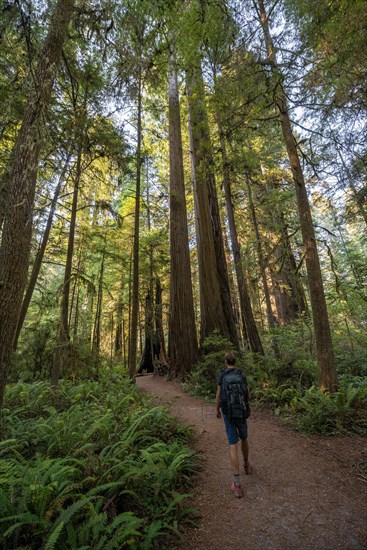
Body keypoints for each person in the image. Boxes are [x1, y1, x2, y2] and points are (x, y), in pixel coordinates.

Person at [216, 352, 251, 498]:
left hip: (228, 413)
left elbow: (218, 394)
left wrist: (217, 409)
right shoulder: (241, 374)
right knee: (244, 438)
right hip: (241, 412)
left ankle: (237, 484)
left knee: (232, 444)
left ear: (226, 361)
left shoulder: (222, 375)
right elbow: (248, 393)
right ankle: (246, 465)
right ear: (235, 361)